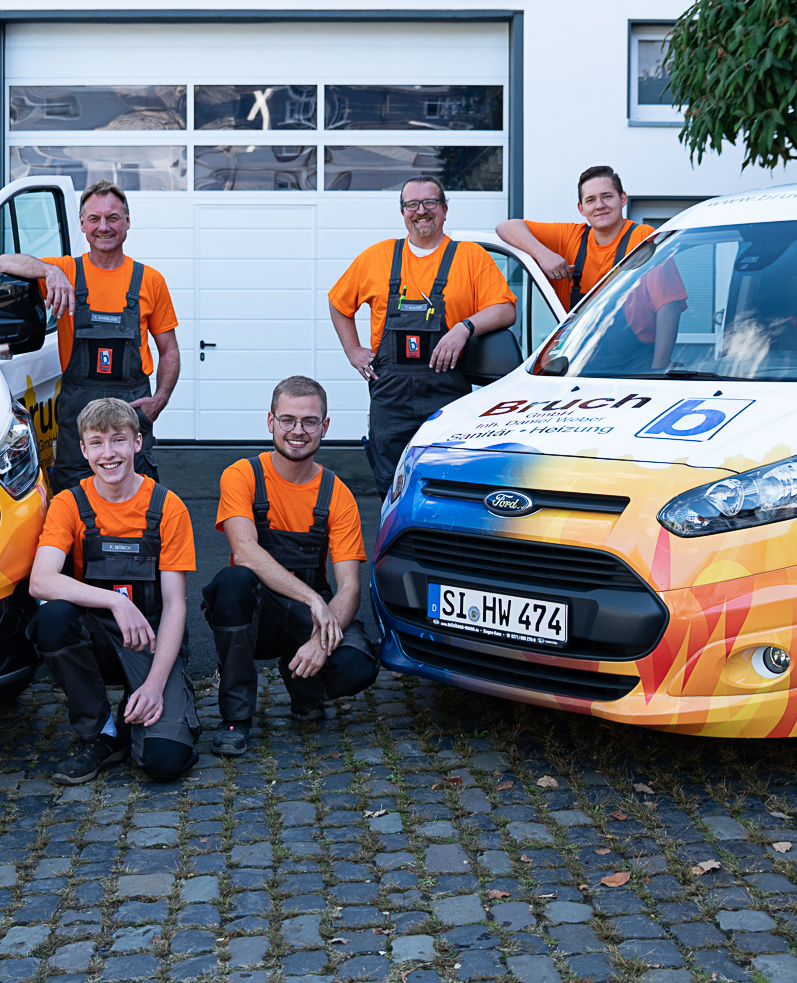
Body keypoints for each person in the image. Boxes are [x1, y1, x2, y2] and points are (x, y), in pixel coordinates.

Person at [28, 397, 199, 785]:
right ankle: (102, 734)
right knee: (52, 617)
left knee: (165, 762)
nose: (109, 453)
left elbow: (175, 606)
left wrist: (154, 686)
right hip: (98, 638)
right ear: (83, 449)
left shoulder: (168, 507)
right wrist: (115, 602)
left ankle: (155, 700)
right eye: (97, 442)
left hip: (151, 639)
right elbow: (41, 581)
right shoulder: (69, 504)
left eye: (118, 440)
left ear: (137, 443)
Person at [203, 376, 377, 754]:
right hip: (257, 615)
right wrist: (313, 600)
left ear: (324, 427)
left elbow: (349, 586)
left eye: (309, 421)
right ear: (271, 422)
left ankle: (302, 686)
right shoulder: (242, 475)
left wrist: (319, 641)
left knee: (357, 664)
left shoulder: (338, 495)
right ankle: (235, 718)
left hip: (306, 620)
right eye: (288, 420)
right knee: (232, 583)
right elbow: (245, 551)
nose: (298, 431)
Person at [328, 176, 516, 494]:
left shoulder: (470, 257)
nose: (421, 211)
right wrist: (353, 350)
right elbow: (338, 304)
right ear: (403, 212)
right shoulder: (377, 257)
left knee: (448, 482)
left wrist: (464, 328)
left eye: (430, 202)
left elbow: (505, 309)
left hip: (448, 394)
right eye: (412, 204)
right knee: (390, 485)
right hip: (390, 398)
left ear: (444, 209)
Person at [0, 181, 178, 490]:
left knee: (137, 497)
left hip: (132, 413)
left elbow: (169, 351)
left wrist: (159, 401)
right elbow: (1, 262)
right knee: (74, 498)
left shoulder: (150, 280)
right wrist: (49, 271)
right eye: (94, 218)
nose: (103, 227)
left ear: (127, 222)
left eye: (113, 218)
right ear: (82, 224)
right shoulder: (66, 271)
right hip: (77, 418)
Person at [494, 165, 658, 312]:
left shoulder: (642, 236)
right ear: (581, 208)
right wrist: (544, 256)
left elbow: (666, 305)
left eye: (607, 196)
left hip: (631, 338)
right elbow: (506, 227)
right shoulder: (570, 236)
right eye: (590, 200)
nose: (600, 205)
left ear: (622, 199)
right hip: (577, 338)